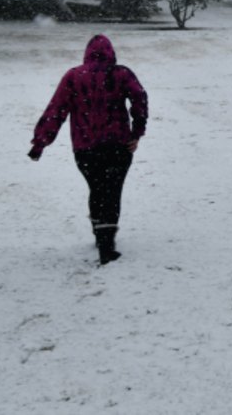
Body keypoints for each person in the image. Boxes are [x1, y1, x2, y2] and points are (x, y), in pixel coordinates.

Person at [28, 34, 148, 265]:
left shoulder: (73, 76)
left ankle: (100, 234)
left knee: (97, 189)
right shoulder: (122, 74)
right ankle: (106, 243)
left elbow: (56, 110)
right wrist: (137, 131)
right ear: (111, 53)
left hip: (85, 147)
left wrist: (40, 143)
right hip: (118, 145)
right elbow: (139, 97)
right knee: (112, 191)